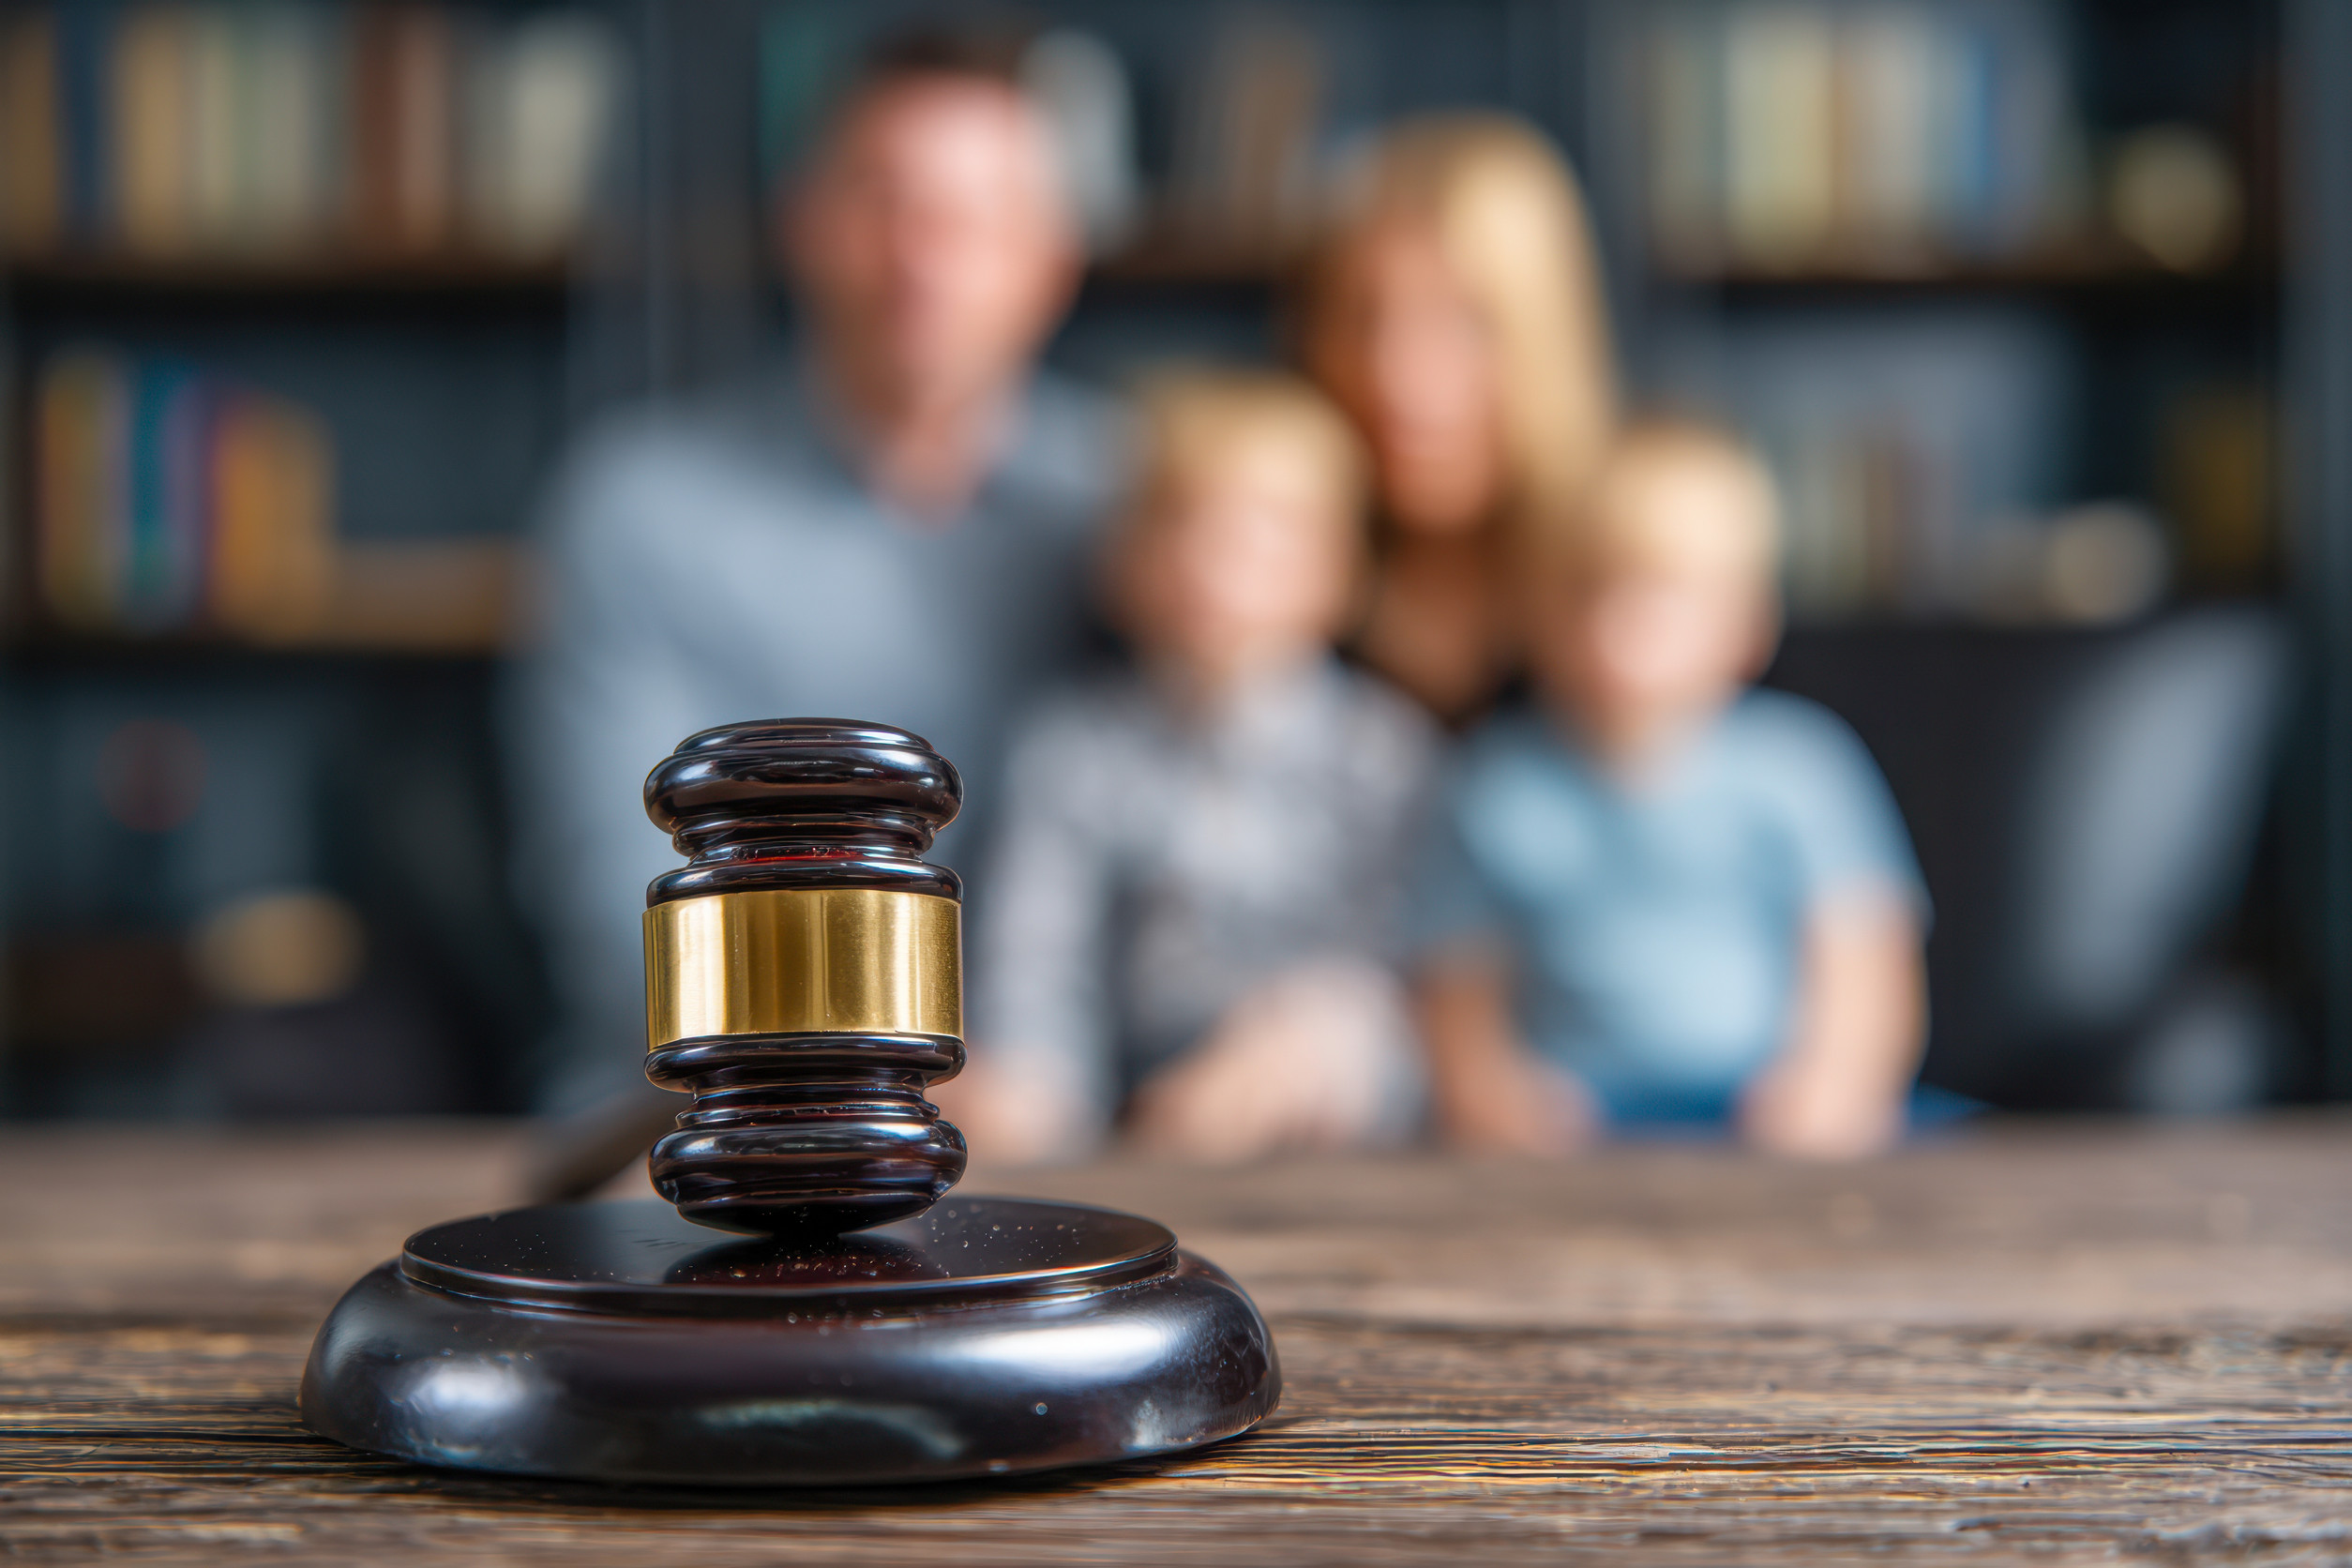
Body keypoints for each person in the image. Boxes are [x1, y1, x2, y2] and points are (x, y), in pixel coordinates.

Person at [509, 32, 1122, 1121]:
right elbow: (624, 908)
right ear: (800, 221)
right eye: (881, 199)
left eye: (973, 214)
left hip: (1072, 1129)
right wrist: (916, 1074)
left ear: (1054, 256)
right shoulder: (642, 506)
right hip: (703, 1122)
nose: (920, 254)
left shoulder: (1142, 514)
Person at [946, 369, 1439, 1164]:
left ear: (1339, 570)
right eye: (1182, 524)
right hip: (1127, 1122)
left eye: (1267, 531)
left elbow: (1402, 960)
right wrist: (1037, 1080)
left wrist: (1307, 1046)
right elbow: (1036, 959)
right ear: (1124, 558)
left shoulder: (1382, 750)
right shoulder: (1071, 750)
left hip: (1328, 1113)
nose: (1217, 561)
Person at [1413, 419, 1928, 1159]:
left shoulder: (1802, 767)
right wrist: (1495, 1100)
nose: (1616, 628)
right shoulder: (1491, 783)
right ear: (1533, 607)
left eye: (1661, 596)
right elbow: (1456, 999)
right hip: (1578, 1131)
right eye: (1585, 590)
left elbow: (1867, 963)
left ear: (1747, 622)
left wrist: (1834, 1089)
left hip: (1767, 1116)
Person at [1299, 113, 1617, 726]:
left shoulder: (1650, 609)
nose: (1398, 377)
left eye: (1467, 325)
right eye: (1362, 321)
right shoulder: (1234, 595)